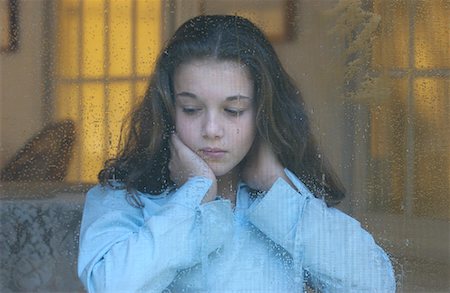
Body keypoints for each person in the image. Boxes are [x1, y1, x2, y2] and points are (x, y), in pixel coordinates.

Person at [78, 15, 396, 292]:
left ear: (261, 111)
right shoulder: (125, 197)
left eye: (233, 110)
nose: (212, 129)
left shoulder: (284, 198)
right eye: (191, 109)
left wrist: (275, 185)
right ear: (167, 110)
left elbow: (374, 284)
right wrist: (193, 194)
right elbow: (110, 286)